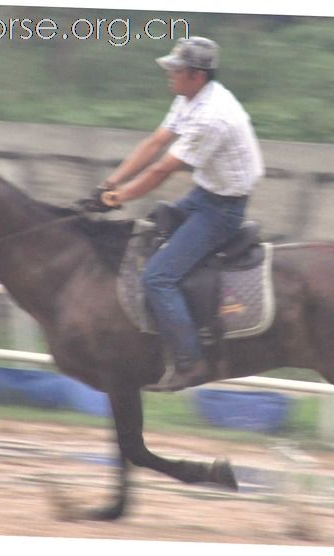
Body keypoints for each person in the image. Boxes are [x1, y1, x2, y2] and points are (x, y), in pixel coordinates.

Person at [83, 36, 264, 391]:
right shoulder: (190, 98)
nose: (169, 75)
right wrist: (110, 183)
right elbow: (154, 143)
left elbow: (162, 170)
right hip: (205, 194)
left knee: (157, 278)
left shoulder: (213, 117)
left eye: (175, 70)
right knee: (150, 229)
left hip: (222, 210)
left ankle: (190, 361)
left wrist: (116, 199)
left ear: (196, 75)